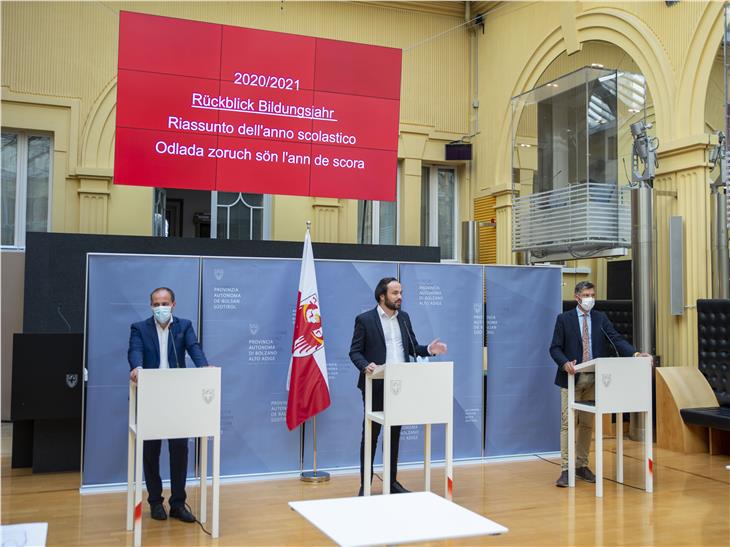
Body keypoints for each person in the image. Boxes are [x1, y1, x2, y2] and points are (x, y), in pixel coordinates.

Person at [349, 277, 447, 496]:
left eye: (401, 292)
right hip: (376, 383)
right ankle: (366, 484)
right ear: (382, 296)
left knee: (394, 434)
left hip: (400, 385)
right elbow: (354, 351)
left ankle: (391, 483)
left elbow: (412, 348)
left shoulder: (404, 318)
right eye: (395, 293)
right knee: (371, 435)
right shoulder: (365, 320)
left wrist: (429, 350)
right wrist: (366, 366)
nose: (400, 297)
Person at [549, 280, 650, 488]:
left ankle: (581, 465)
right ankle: (566, 469)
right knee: (568, 424)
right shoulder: (564, 319)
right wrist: (564, 363)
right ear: (577, 297)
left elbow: (616, 338)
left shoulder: (600, 318)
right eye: (587, 295)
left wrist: (636, 353)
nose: (590, 299)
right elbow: (555, 348)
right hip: (572, 378)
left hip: (595, 379)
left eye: (593, 294)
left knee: (587, 424)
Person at [127, 287, 209, 522]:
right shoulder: (139, 328)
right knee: (151, 451)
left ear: (173, 304)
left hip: (177, 397)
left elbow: (194, 348)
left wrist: (204, 367)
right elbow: (135, 351)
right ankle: (155, 502)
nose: (160, 307)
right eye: (155, 303)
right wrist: (137, 367)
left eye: (164, 303)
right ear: (151, 306)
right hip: (151, 395)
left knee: (179, 450)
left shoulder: (183, 326)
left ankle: (178, 503)